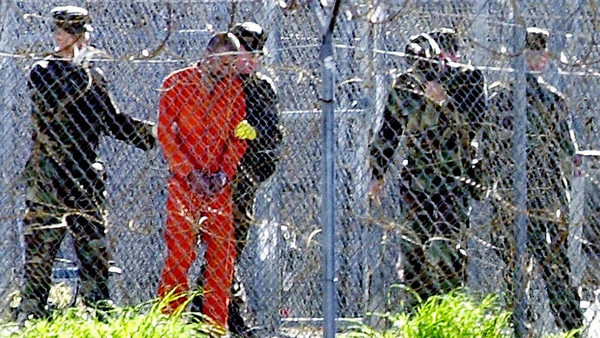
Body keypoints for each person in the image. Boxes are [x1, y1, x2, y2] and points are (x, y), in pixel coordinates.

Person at [17, 6, 156, 320]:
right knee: (41, 250)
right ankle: (32, 313)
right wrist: (81, 70)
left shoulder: (94, 74)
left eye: (80, 34)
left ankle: (99, 313)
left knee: (93, 250)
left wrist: (152, 135)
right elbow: (56, 111)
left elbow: (110, 119)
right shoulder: (43, 71)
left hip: (84, 174)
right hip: (49, 174)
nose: (78, 40)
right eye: (68, 34)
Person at [369, 32, 487, 304]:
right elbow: (389, 130)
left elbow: (475, 125)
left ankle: (451, 309)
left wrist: (445, 102)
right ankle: (418, 317)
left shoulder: (467, 79)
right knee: (414, 252)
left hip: (453, 179)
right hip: (417, 180)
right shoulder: (407, 84)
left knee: (444, 247)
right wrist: (377, 175)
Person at [156, 31, 255, 329]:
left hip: (217, 186)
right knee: (179, 257)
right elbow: (165, 133)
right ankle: (168, 326)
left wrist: (225, 172)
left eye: (232, 65)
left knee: (221, 260)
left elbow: (239, 136)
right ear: (208, 55)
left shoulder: (233, 90)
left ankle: (213, 327)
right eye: (223, 63)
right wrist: (188, 171)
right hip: (185, 184)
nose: (227, 70)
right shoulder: (176, 83)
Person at [488, 27, 583, 331]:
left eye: (538, 53)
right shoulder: (544, 100)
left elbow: (489, 146)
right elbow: (570, 153)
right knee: (549, 264)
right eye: (533, 54)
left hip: (523, 195)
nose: (537, 59)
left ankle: (526, 325)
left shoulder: (502, 97)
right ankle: (569, 327)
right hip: (541, 197)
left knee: (518, 266)